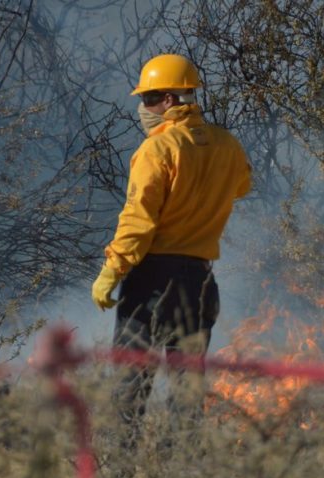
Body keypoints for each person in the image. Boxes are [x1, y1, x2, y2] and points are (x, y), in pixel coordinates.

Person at [91, 53, 251, 443]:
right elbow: (242, 187)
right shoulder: (227, 144)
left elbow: (138, 218)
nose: (143, 109)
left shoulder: (157, 150)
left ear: (170, 99)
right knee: (187, 391)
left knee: (130, 385)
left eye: (148, 99)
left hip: (152, 280)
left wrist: (112, 270)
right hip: (199, 281)